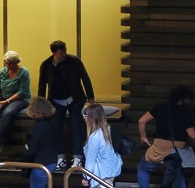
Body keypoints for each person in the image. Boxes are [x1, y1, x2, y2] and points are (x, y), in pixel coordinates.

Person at [37, 40, 96, 170]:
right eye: (61, 53)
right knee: (56, 129)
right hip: (55, 100)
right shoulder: (46, 65)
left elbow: (85, 79)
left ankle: (78, 157)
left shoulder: (74, 61)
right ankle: (60, 157)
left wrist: (91, 99)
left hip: (74, 99)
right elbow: (42, 85)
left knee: (77, 128)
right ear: (54, 53)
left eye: (65, 52)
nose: (64, 55)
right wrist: (41, 104)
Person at [136, 86, 195, 188]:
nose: (189, 101)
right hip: (179, 150)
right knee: (178, 172)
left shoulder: (160, 106)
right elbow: (192, 135)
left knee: (143, 168)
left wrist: (143, 137)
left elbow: (141, 121)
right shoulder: (185, 111)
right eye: (188, 99)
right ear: (183, 98)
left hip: (159, 147)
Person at [0, 51, 30, 155]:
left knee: (8, 113)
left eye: (10, 63)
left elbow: (22, 92)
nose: (8, 65)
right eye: (6, 63)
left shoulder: (24, 73)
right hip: (3, 99)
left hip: (19, 100)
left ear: (17, 62)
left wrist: (6, 101)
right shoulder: (3, 72)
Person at [22, 98, 62, 188]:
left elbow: (31, 151)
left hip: (41, 164)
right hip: (52, 161)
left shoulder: (36, 129)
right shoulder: (52, 125)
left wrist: (21, 161)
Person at [83, 104, 122, 188]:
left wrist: (86, 177)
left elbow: (90, 160)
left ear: (93, 117)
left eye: (86, 115)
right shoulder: (107, 129)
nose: (84, 118)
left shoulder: (95, 136)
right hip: (111, 171)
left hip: (101, 174)